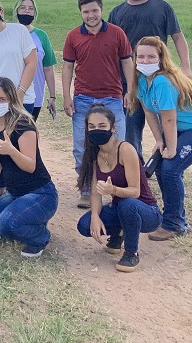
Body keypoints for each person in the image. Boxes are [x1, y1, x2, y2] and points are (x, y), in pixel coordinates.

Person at [131, 37, 192, 241]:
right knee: (160, 166)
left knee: (171, 168)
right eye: (141, 56)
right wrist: (159, 140)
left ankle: (174, 224)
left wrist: (171, 148)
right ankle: (174, 217)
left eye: (151, 57)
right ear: (135, 58)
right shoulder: (140, 79)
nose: (145, 61)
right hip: (181, 125)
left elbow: (169, 119)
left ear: (161, 58)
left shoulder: (162, 81)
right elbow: (148, 111)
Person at [108, 0, 192, 158]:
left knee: (167, 122)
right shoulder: (116, 13)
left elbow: (178, 38)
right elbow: (112, 49)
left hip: (159, 77)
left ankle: (166, 160)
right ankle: (136, 169)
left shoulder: (162, 7)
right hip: (129, 80)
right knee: (131, 127)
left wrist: (186, 68)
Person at [0, 77, 58, 258]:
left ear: (12, 100)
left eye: (2, 99)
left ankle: (40, 236)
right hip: (15, 193)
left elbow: (30, 166)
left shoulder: (23, 124)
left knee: (7, 224)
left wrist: (11, 150)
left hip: (40, 193)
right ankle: (25, 220)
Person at [63, 0, 133, 209]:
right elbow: (67, 67)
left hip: (112, 97)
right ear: (81, 13)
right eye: (86, 12)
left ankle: (117, 190)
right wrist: (67, 96)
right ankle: (86, 189)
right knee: (81, 146)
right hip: (83, 98)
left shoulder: (117, 33)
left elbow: (127, 63)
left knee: (116, 144)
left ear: (101, 10)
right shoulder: (73, 36)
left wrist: (130, 91)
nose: (91, 15)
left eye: (94, 10)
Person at [76, 105, 161, 273]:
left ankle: (131, 252)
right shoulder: (95, 155)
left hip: (146, 211)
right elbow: (95, 192)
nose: (96, 130)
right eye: (91, 127)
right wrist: (94, 216)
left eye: (102, 126)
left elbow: (135, 192)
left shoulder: (126, 149)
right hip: (120, 208)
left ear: (113, 128)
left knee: (127, 204)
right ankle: (118, 233)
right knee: (85, 225)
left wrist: (112, 190)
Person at [14, 0, 56, 121]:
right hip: (11, 93)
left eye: (30, 9)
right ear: (16, 10)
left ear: (35, 13)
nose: (27, 11)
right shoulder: (9, 32)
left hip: (35, 96)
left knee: (28, 133)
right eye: (23, 8)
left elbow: (48, 68)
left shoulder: (41, 36)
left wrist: (52, 96)